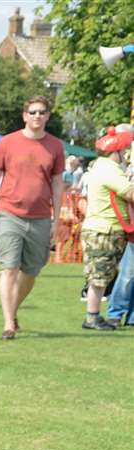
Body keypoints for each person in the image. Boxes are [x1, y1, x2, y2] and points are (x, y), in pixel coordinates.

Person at [0, 97, 65, 339]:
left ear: (47, 116)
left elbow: (57, 183)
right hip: (9, 212)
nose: (37, 116)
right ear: (25, 115)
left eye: (41, 112)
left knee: (31, 271)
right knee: (8, 268)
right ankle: (8, 324)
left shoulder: (55, 146)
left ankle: (12, 309)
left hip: (41, 216)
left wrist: (56, 219)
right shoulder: (8, 142)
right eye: (32, 112)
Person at [77, 126, 133, 331]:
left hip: (105, 229)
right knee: (99, 277)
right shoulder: (109, 169)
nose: (127, 154)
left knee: (102, 275)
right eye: (125, 150)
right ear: (116, 152)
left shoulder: (101, 166)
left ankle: (94, 316)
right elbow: (129, 193)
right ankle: (92, 317)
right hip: (104, 230)